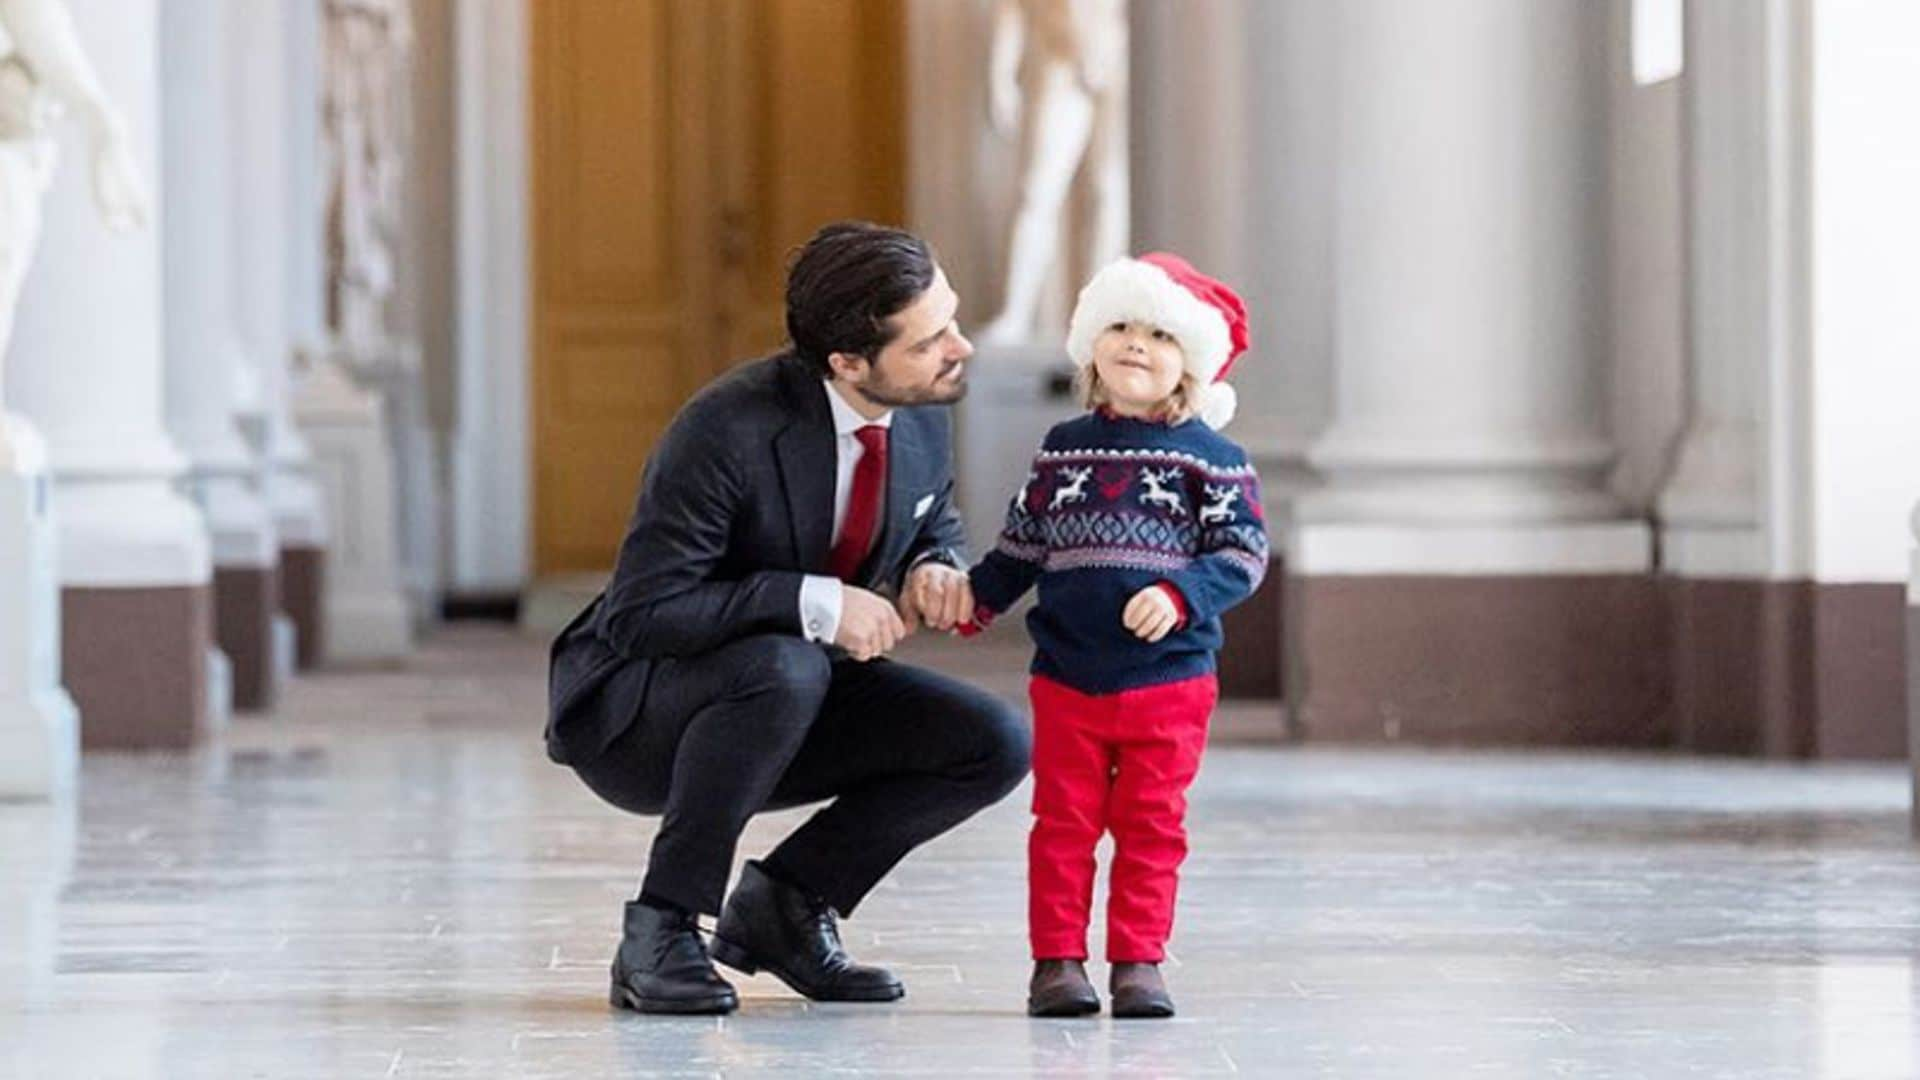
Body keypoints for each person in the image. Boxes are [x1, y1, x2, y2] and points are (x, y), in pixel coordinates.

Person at [545, 221, 1031, 1016]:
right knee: (786, 663)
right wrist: (818, 602)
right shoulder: (726, 430)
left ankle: (787, 907)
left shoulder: (920, 409)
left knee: (993, 743)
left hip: (790, 695)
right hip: (641, 714)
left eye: (952, 319)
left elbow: (928, 510)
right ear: (846, 361)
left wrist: (932, 562)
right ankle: (660, 931)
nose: (961, 347)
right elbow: (641, 614)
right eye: (931, 338)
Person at [960, 253, 1268, 1018]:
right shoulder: (1064, 447)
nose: (1136, 343)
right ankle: (1056, 962)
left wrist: (1181, 592)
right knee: (1061, 824)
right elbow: (1024, 544)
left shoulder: (1213, 460)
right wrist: (976, 601)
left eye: (1160, 334)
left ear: (1191, 366)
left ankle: (1139, 961)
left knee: (1151, 825)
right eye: (1121, 326)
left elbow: (1242, 553)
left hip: (1170, 681)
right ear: (1092, 343)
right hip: (1067, 677)